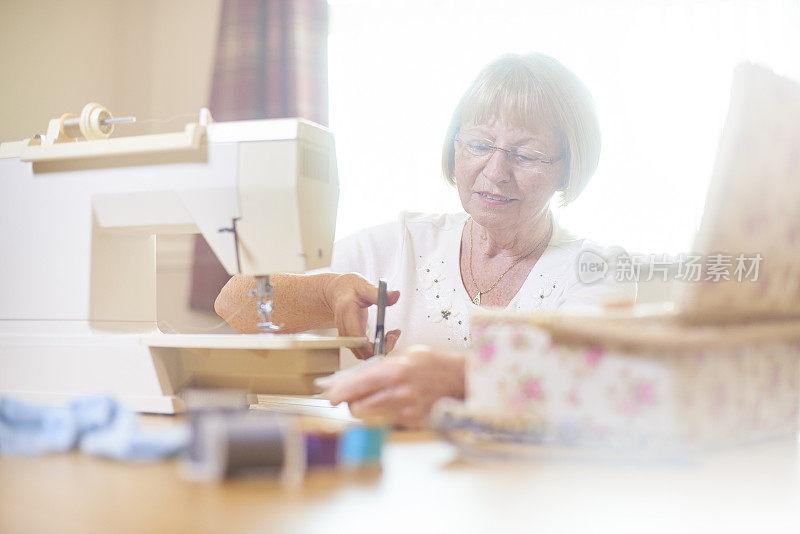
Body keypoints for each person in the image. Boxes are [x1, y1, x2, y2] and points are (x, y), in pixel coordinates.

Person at [215, 53, 636, 428]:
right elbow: (236, 304)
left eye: (525, 155)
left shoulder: (596, 268)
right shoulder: (405, 242)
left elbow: (590, 377)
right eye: (478, 144)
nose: (495, 170)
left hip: (529, 491)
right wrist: (326, 293)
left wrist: (458, 379)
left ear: (568, 169)